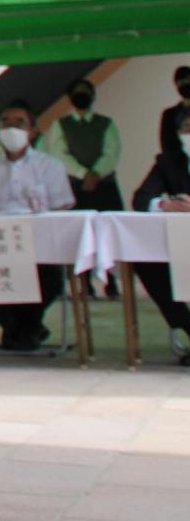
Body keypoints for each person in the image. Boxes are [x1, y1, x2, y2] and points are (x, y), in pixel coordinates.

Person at [0, 99, 74, 351]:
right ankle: (27, 330)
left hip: (41, 245)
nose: (12, 128)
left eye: (19, 122)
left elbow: (63, 204)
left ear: (33, 130)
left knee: (49, 279)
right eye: (5, 122)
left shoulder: (50, 165)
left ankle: (20, 329)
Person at [41, 77, 123, 298]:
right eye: (77, 92)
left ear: (93, 96)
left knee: (108, 234)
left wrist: (95, 173)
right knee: (79, 236)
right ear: (69, 98)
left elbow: (111, 153)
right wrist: (83, 174)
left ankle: (111, 283)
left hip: (104, 185)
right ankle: (84, 283)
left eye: (85, 91)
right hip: (76, 187)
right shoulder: (61, 124)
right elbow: (59, 154)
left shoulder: (107, 123)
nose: (81, 95)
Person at [131, 107, 190, 360]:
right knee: (145, 261)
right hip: (181, 245)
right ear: (179, 134)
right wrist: (167, 204)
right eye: (187, 127)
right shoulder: (168, 161)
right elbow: (140, 199)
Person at [158, 65, 190, 149]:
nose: (185, 84)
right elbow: (168, 147)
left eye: (188, 80)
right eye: (181, 82)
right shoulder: (169, 115)